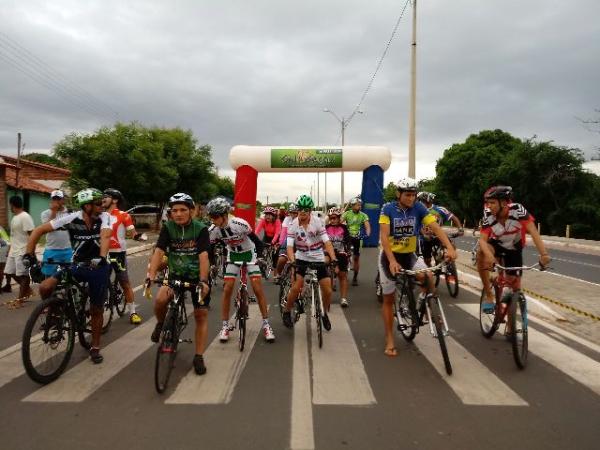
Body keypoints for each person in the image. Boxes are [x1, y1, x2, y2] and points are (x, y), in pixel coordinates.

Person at [23, 188, 111, 363]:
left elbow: (106, 236)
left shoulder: (104, 218)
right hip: (76, 264)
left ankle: (94, 346)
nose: (102, 205)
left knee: (96, 309)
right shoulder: (71, 218)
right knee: (45, 286)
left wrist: (101, 257)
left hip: (98, 266)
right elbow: (38, 231)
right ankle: (55, 314)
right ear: (86, 206)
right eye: (98, 203)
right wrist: (29, 255)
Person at [379, 178, 457, 357]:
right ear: (398, 194)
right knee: (389, 299)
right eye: (407, 194)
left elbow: (436, 228)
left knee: (428, 276)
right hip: (389, 257)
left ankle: (429, 305)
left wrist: (450, 248)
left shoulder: (419, 208)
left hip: (409, 255)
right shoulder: (388, 209)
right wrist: (391, 261)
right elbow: (384, 237)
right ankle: (390, 339)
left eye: (414, 195)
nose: (411, 198)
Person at [146, 193, 211, 375]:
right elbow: (159, 251)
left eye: (183, 210)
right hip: (175, 274)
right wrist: (151, 275)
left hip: (197, 276)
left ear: (191, 211)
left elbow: (204, 256)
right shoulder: (168, 227)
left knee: (200, 315)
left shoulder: (200, 229)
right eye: (174, 210)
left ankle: (198, 356)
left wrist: (204, 281)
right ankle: (161, 323)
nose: (178, 214)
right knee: (160, 300)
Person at [206, 197, 275, 343]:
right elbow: (210, 249)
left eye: (215, 216)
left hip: (249, 253)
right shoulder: (213, 230)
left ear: (225, 215)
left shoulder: (239, 223)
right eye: (210, 216)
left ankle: (266, 325)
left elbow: (257, 242)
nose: (212, 220)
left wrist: (261, 257)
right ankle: (225, 326)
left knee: (257, 287)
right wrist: (212, 264)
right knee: (228, 288)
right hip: (233, 255)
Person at [476, 186, 551, 313]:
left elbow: (533, 232)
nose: (489, 206)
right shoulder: (488, 214)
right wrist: (490, 256)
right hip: (496, 244)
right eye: (487, 203)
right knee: (481, 253)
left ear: (504, 203)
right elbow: (482, 240)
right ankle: (489, 295)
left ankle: (511, 329)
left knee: (514, 288)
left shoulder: (518, 210)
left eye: (492, 202)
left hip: (514, 247)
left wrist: (544, 254)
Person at [281, 194, 337, 330]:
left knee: (328, 290)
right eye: (300, 209)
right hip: (301, 256)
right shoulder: (292, 225)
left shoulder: (318, 222)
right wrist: (293, 261)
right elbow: (289, 247)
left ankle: (324, 313)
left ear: (310, 211)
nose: (302, 213)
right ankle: (287, 311)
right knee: (296, 286)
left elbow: (327, 242)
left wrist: (333, 258)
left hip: (317, 256)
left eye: (306, 210)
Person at [102, 188, 144, 325]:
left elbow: (132, 232)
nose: (102, 198)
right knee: (100, 282)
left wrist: (138, 236)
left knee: (124, 283)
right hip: (102, 253)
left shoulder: (123, 215)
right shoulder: (99, 215)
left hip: (118, 253)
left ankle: (133, 312)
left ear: (115, 200)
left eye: (106, 196)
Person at [416, 191, 464, 267]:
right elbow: (417, 225)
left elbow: (454, 218)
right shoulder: (418, 211)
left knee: (451, 246)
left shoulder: (440, 209)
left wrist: (460, 229)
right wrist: (423, 234)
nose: (418, 203)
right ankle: (430, 269)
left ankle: (445, 263)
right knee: (427, 260)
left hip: (439, 235)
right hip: (425, 238)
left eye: (419, 201)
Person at [5, 196, 35, 303]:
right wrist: (9, 249)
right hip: (14, 250)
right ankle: (27, 290)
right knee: (9, 272)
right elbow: (13, 236)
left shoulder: (25, 217)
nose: (10, 207)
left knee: (23, 275)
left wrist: (31, 252)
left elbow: (32, 234)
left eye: (10, 205)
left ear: (13, 205)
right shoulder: (14, 217)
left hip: (23, 250)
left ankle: (20, 298)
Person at [40, 190, 73, 278]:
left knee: (69, 275)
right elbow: (46, 229)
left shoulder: (70, 213)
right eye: (54, 199)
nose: (56, 201)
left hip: (67, 250)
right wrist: (53, 212)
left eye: (58, 199)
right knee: (48, 276)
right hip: (51, 250)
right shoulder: (45, 213)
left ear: (63, 200)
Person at [325, 207, 352, 307]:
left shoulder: (344, 228)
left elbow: (348, 240)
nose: (332, 220)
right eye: (331, 218)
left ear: (339, 218)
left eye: (334, 218)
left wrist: (349, 250)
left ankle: (343, 298)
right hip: (328, 253)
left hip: (341, 253)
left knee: (342, 275)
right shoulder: (326, 228)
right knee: (325, 263)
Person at [341, 197, 371, 286]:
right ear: (352, 206)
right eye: (358, 205)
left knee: (356, 258)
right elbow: (340, 222)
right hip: (347, 237)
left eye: (360, 205)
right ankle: (343, 274)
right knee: (344, 256)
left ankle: (355, 277)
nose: (359, 206)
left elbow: (367, 226)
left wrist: (367, 234)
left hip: (358, 237)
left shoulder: (363, 215)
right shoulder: (347, 213)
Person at [273, 203, 298, 282]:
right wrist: (280, 243)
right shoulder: (287, 219)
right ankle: (279, 274)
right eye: (292, 212)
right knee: (281, 259)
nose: (293, 215)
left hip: (299, 241)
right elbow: (283, 232)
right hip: (288, 240)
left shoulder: (302, 219)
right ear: (289, 213)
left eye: (295, 213)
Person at [254, 205, 281, 270]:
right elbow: (257, 230)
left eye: (270, 215)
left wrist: (273, 242)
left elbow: (277, 233)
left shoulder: (277, 221)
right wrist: (254, 238)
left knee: (275, 253)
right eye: (266, 215)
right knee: (261, 249)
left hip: (275, 238)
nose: (267, 216)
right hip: (267, 236)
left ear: (273, 216)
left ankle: (274, 265)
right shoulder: (263, 220)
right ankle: (262, 263)